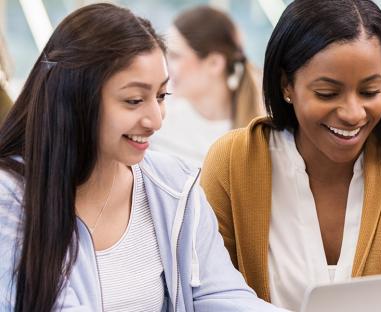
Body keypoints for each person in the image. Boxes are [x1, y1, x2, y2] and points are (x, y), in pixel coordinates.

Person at [0, 3, 289, 311]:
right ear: (76, 98)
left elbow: (220, 295)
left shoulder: (175, 186)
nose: (155, 119)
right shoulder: (11, 196)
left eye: (161, 96)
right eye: (134, 100)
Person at [201, 0, 381, 311]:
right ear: (286, 84)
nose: (353, 113)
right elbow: (207, 295)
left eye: (370, 91)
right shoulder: (235, 162)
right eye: (327, 93)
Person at [151, 5, 262, 166]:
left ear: (214, 63)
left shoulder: (258, 135)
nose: (166, 66)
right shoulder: (159, 121)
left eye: (175, 56)